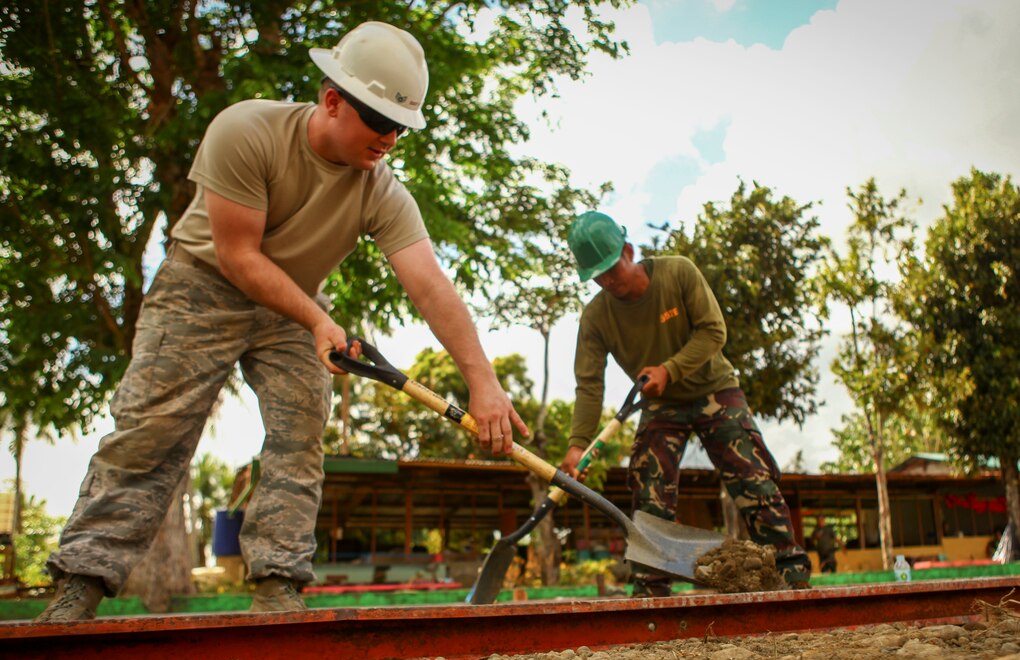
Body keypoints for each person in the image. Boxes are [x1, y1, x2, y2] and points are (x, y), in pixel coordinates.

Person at [35, 22, 527, 623]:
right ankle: (79, 581)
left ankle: (278, 586)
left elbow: (428, 282)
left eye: (401, 126)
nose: (390, 139)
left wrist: (483, 380)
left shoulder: (381, 189)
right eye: (379, 121)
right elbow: (239, 256)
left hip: (294, 305)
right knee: (152, 431)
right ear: (332, 101)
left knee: (301, 433)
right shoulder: (247, 131)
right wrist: (318, 319)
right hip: (202, 285)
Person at [558, 211, 811, 596]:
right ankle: (650, 586)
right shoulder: (596, 317)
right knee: (648, 485)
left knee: (752, 479)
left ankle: (791, 575)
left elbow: (714, 332)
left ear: (628, 250)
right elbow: (589, 385)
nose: (607, 281)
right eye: (598, 275)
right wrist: (579, 445)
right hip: (662, 407)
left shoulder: (678, 273)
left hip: (715, 390)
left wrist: (669, 370)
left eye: (612, 269)